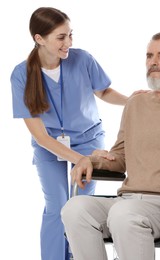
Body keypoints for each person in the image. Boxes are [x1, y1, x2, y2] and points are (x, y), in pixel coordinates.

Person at [61, 31, 160, 260]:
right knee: (74, 209)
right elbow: (119, 157)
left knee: (123, 215)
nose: (153, 62)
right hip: (128, 201)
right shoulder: (135, 103)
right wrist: (90, 160)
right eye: (149, 56)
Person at [10, 7, 143, 260]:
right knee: (56, 206)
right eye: (61, 37)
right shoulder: (21, 75)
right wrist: (78, 159)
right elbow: (41, 137)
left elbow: (103, 92)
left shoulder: (82, 59)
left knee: (81, 208)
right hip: (49, 146)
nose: (68, 43)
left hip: (89, 141)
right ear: (39, 39)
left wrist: (131, 101)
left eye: (71, 35)